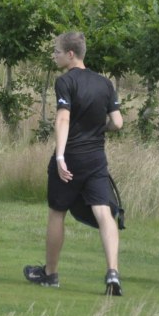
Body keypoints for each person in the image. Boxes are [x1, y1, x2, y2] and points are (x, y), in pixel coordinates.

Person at [24, 31, 125, 295]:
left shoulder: (65, 81)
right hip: (96, 160)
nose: (54, 56)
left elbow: (63, 119)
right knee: (104, 212)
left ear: (71, 54)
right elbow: (117, 123)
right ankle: (113, 273)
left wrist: (60, 157)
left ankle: (50, 274)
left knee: (57, 212)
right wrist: (99, 129)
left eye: (57, 51)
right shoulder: (105, 83)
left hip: (70, 159)